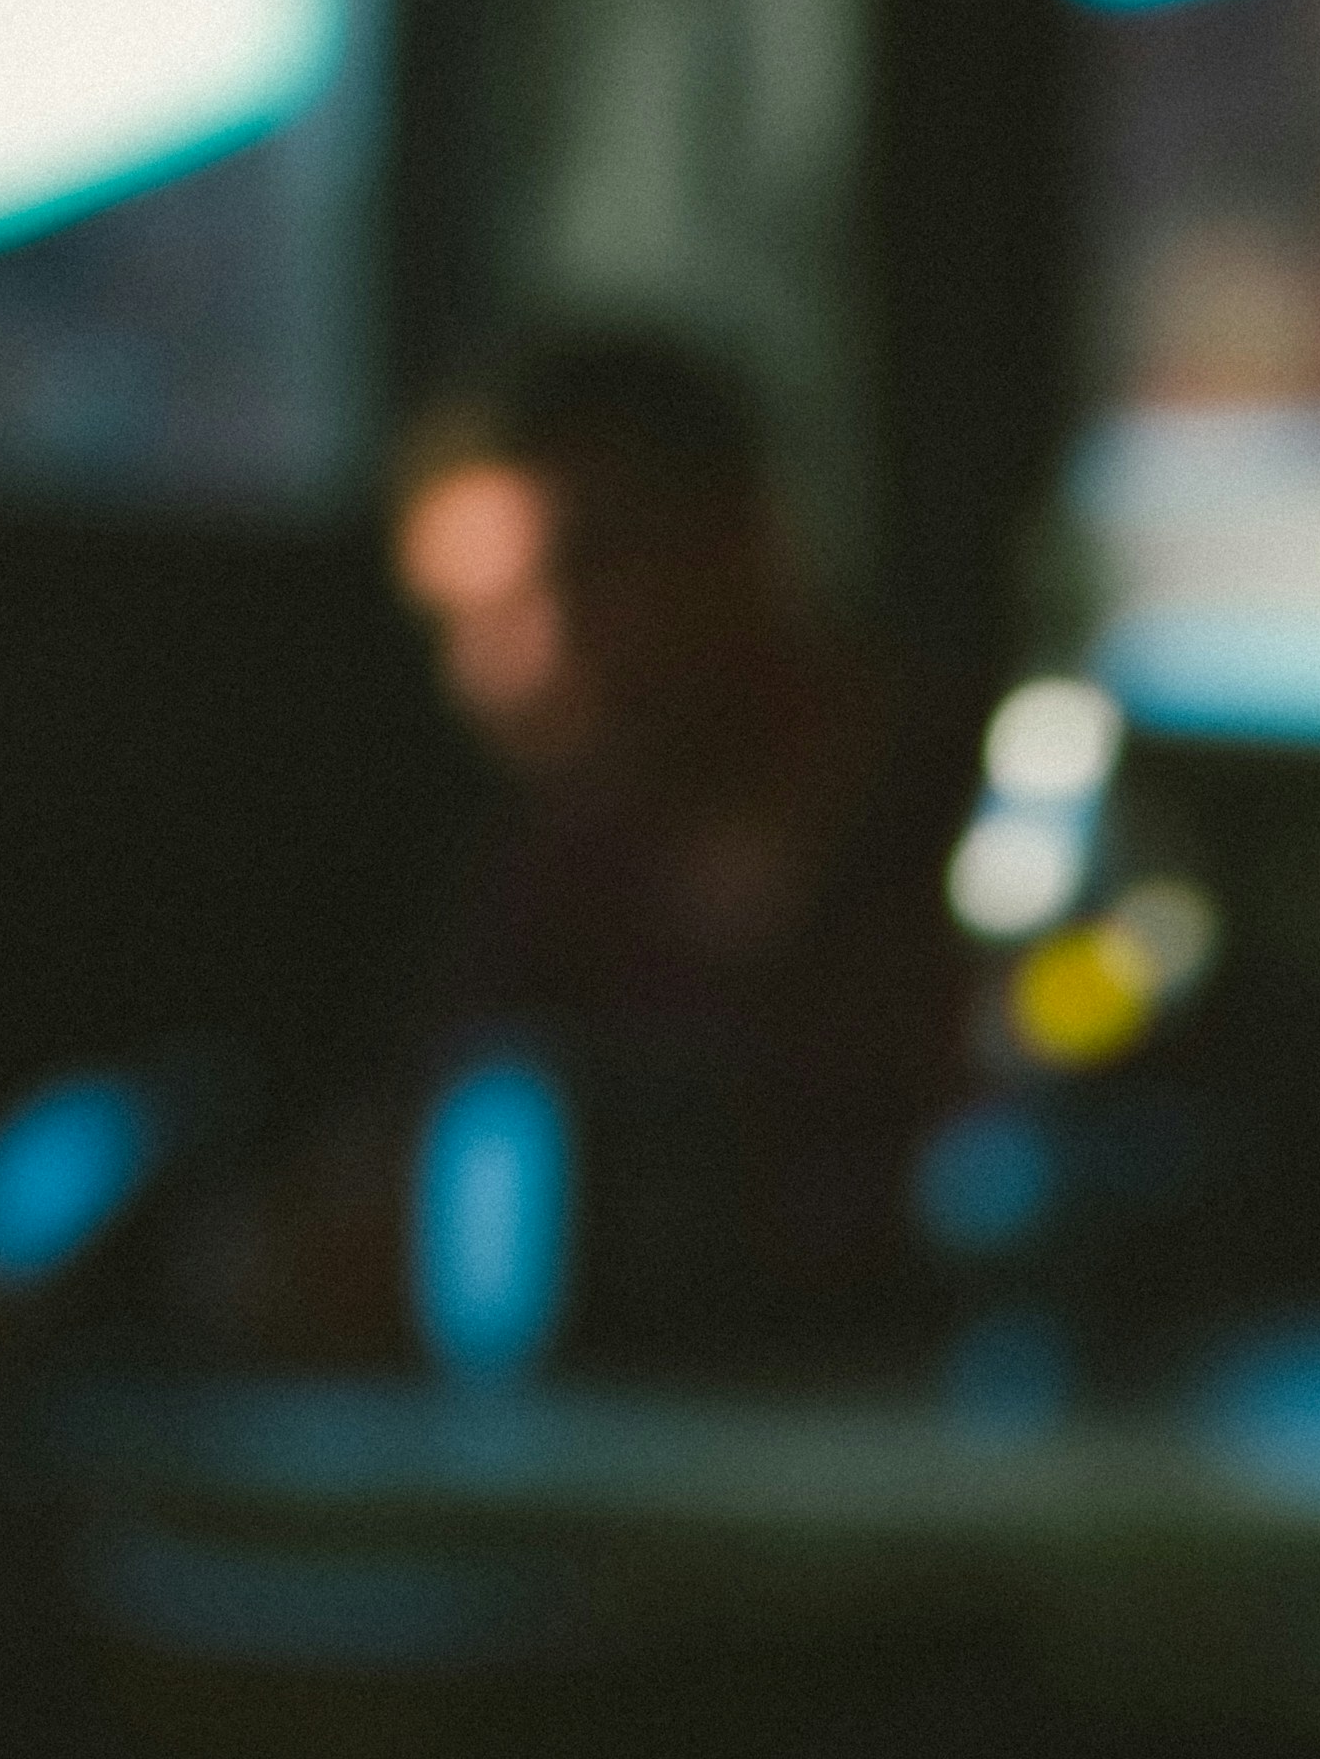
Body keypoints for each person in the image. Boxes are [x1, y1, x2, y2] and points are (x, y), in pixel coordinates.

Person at [367, 328, 969, 1364]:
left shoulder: (1002, 828)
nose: (522, 668)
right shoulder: (550, 892)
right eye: (468, 622)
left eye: (582, 578)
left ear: (742, 538)